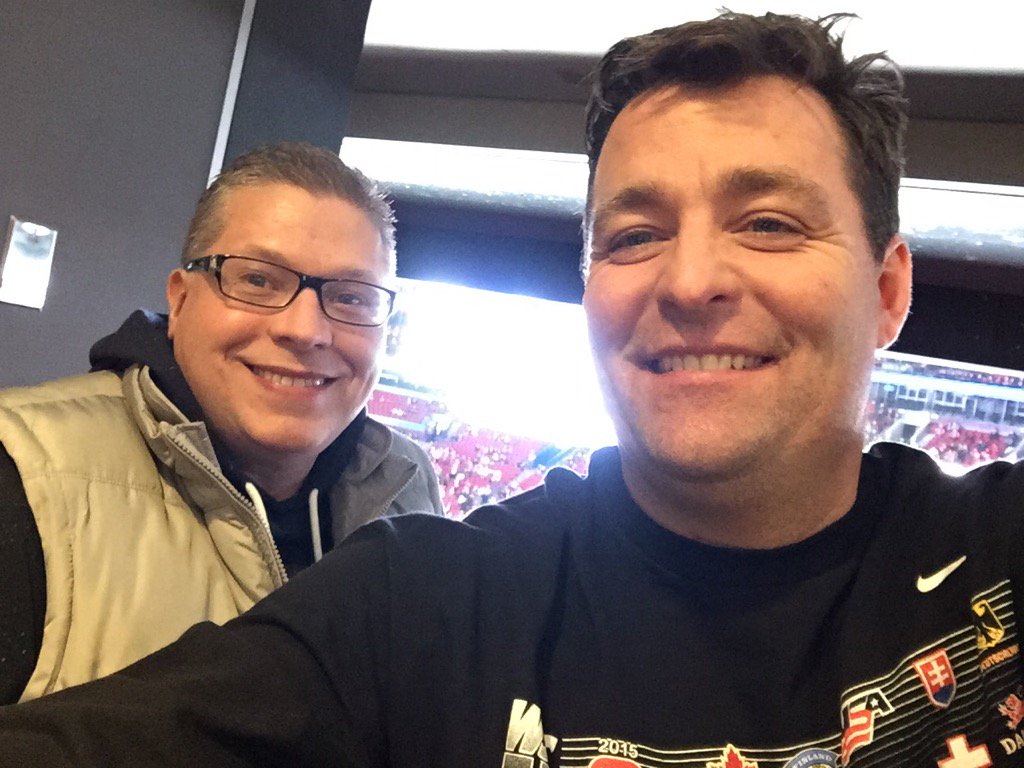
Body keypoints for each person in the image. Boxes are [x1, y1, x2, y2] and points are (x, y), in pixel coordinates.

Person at [0, 11, 1019, 768]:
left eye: (768, 223)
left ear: (888, 290)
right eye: (635, 234)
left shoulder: (1000, 545)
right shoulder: (418, 603)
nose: (690, 280)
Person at [0, 142, 444, 704]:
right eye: (258, 280)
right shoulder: (20, 475)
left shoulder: (408, 492)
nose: (306, 330)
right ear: (180, 301)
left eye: (352, 298)